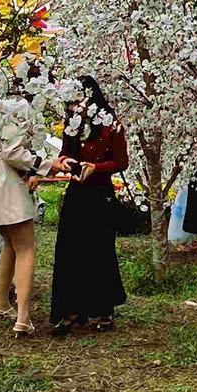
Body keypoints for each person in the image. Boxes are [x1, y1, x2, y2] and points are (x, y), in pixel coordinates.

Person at [0, 98, 65, 335]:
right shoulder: (18, 108)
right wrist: (46, 165)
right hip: (4, 181)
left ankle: (0, 302)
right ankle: (23, 316)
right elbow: (12, 151)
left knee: (10, 244)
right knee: (26, 246)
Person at [50, 76, 130, 336]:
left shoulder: (110, 125)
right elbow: (66, 153)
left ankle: (102, 309)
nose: (75, 105)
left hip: (101, 194)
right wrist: (66, 164)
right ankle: (70, 309)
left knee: (99, 251)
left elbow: (121, 162)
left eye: (78, 99)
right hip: (77, 192)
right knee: (69, 249)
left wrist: (96, 167)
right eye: (71, 101)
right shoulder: (71, 124)